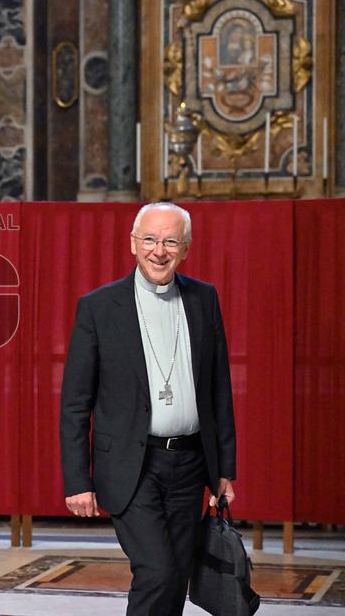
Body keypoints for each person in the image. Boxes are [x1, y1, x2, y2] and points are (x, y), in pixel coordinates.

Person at [60, 202, 237, 615]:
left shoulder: (203, 299)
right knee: (156, 570)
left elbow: (219, 390)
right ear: (133, 244)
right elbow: (75, 403)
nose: (160, 250)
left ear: (186, 248)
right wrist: (76, 480)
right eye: (151, 240)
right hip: (131, 464)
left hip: (191, 463)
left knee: (175, 575)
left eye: (171, 241)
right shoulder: (99, 307)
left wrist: (224, 469)